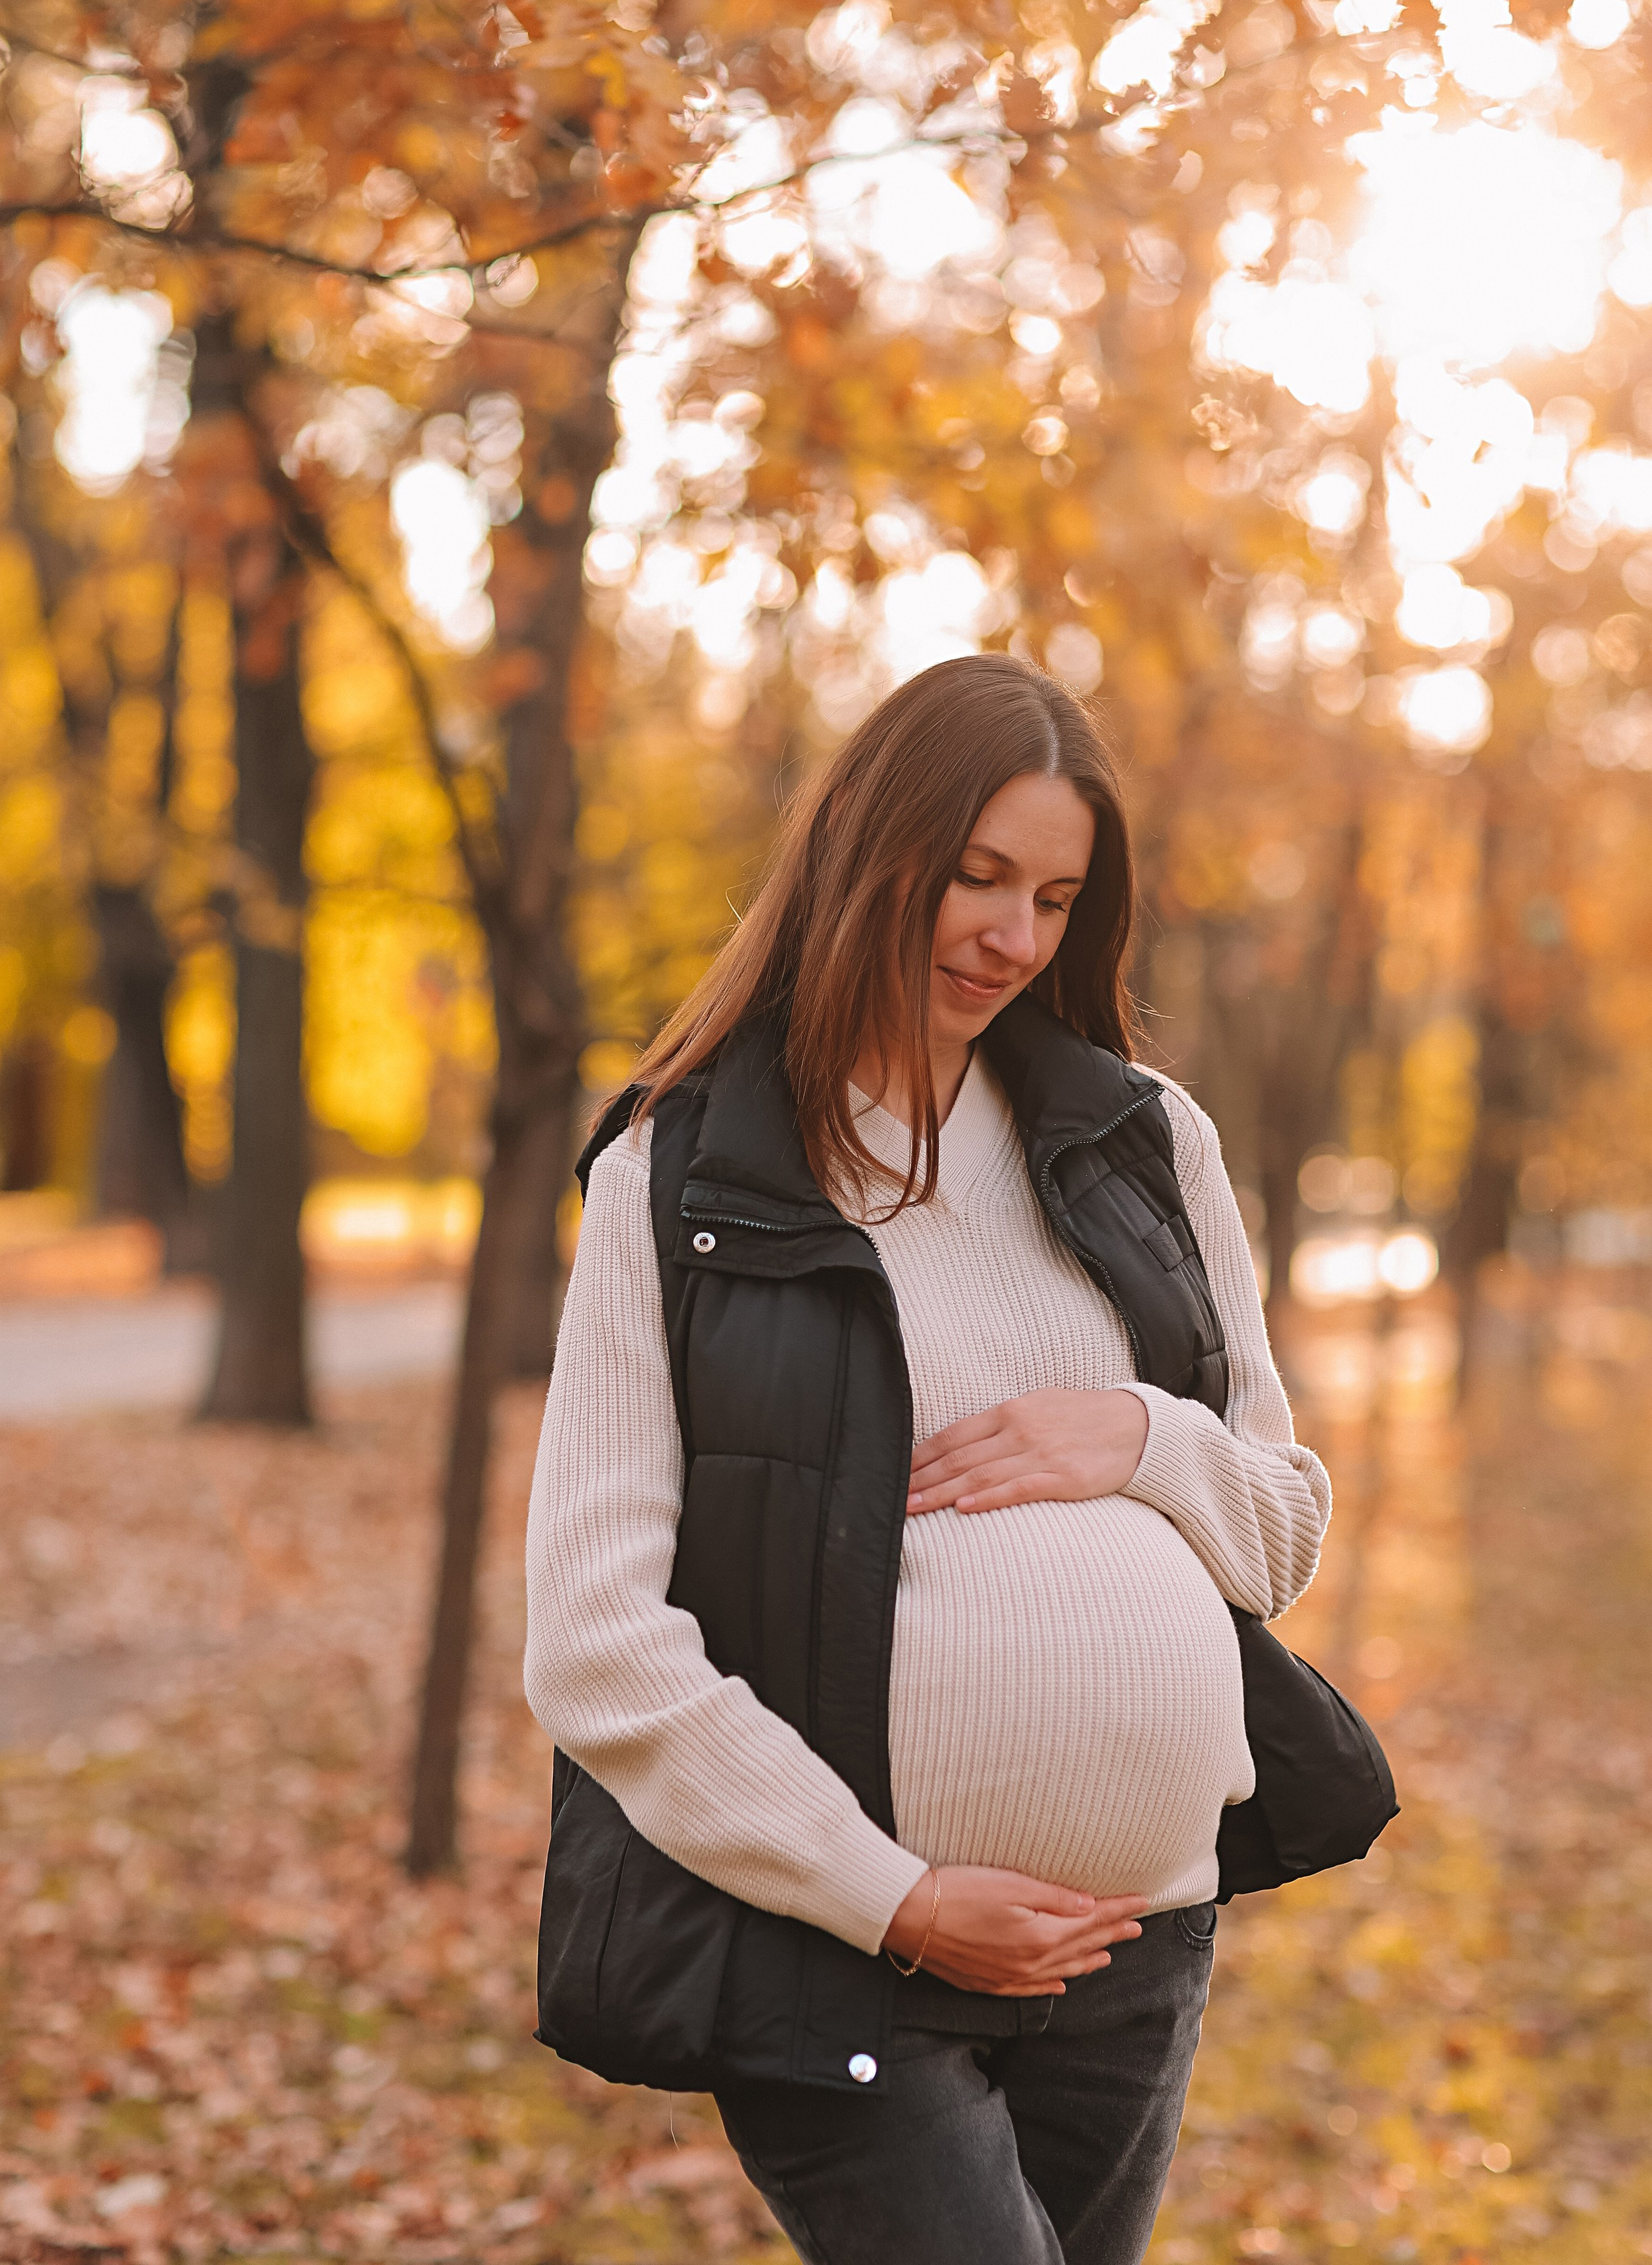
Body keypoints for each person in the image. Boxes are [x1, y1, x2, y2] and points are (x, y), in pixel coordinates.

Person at [524, 653, 1331, 2265]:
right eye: (974, 876)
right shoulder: (679, 1172)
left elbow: (1277, 1534)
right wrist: (888, 1897)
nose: (1010, 937)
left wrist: (1137, 1435)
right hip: (846, 1958)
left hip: (1134, 1947)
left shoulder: (1146, 1143)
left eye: (1053, 898)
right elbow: (595, 1640)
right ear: (864, 851)